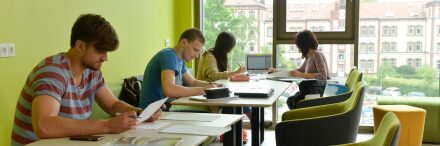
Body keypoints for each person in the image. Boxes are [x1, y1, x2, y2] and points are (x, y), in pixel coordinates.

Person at [11, 14, 161, 146]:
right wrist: (107, 125)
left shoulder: (92, 71)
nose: (105, 58)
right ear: (80, 45)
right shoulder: (52, 72)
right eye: (100, 50)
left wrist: (141, 114)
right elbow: (44, 125)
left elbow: (113, 104)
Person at [139, 28, 218, 110]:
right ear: (184, 42)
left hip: (165, 108)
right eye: (195, 50)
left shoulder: (180, 60)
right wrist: (203, 90)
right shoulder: (169, 56)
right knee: (207, 111)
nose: (197, 56)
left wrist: (214, 85)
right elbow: (169, 90)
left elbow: (192, 82)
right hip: (152, 112)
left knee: (207, 110)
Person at [269, 30, 330, 109]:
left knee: (291, 101)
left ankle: (299, 120)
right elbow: (298, 71)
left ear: (303, 44)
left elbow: (323, 76)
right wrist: (277, 71)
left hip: (316, 92)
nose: (297, 46)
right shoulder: (308, 56)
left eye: (297, 44)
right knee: (290, 100)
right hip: (310, 90)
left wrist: (301, 75)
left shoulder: (317, 54)